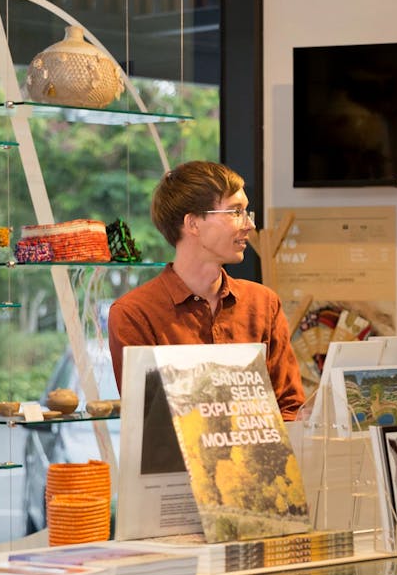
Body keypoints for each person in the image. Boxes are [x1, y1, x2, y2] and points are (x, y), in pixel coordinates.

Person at [108, 160, 305, 420]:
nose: (249, 225)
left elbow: (289, 408)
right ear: (193, 224)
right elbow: (148, 423)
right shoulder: (134, 313)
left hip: (262, 460)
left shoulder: (263, 303)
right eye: (235, 212)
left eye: (247, 212)